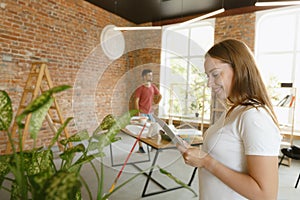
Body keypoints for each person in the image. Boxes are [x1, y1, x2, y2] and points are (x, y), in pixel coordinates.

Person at [178, 39, 281, 199]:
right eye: (207, 76)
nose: (209, 83)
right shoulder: (233, 111)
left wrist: (207, 162)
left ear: (239, 69)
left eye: (215, 74)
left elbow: (265, 195)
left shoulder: (254, 116)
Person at [134, 69, 162, 153]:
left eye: (151, 75)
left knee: (153, 130)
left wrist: (155, 104)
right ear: (144, 77)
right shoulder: (140, 88)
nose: (151, 77)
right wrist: (138, 113)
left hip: (150, 113)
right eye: (149, 75)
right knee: (141, 131)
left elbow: (160, 95)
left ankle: (153, 146)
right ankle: (141, 148)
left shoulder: (153, 87)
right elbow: (136, 101)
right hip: (142, 112)